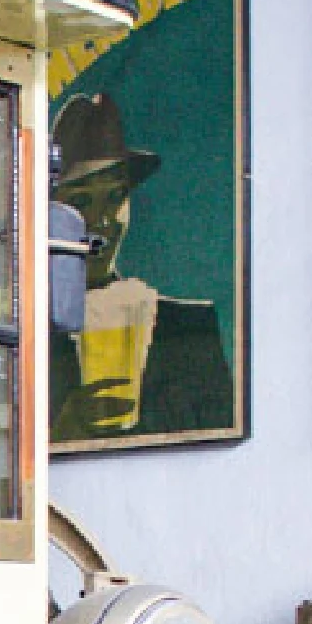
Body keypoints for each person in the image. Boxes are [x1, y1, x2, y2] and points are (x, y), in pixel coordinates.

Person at [50, 92, 234, 443]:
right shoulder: (23, 337)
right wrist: (65, 433)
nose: (101, 220)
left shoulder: (187, 327)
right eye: (80, 201)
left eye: (115, 198)